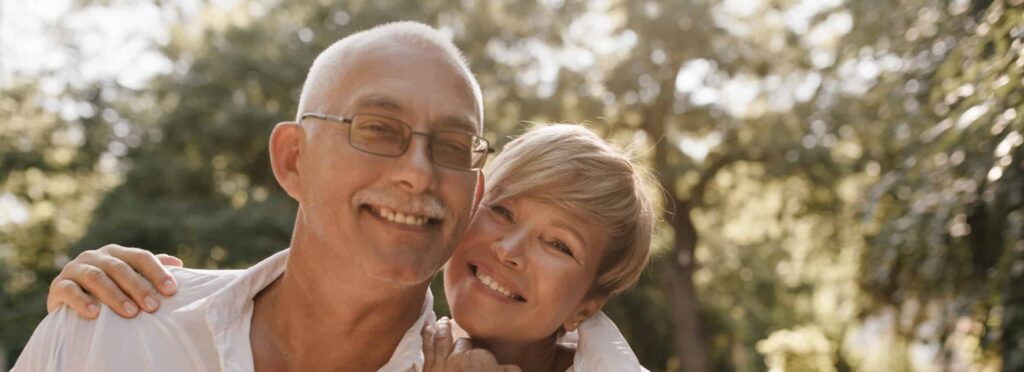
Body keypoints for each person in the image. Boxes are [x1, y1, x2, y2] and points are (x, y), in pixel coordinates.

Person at [14, 21, 519, 371]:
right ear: (293, 159)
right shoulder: (104, 329)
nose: (418, 173)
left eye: (453, 146)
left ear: (473, 195)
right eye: (380, 130)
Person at [44, 124, 657, 371]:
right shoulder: (404, 352)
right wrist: (82, 324)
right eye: (501, 210)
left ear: (586, 306)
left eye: (559, 244)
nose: (511, 249)